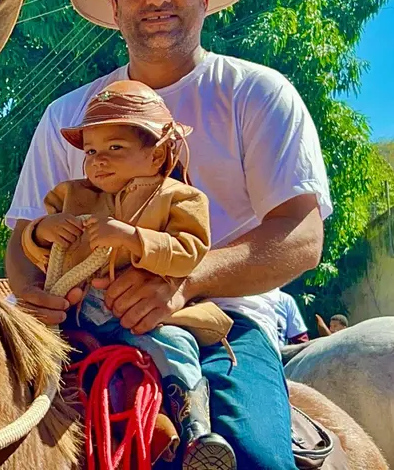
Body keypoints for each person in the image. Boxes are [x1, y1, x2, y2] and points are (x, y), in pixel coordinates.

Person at [5, 0, 330, 468]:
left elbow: (301, 238)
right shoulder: (67, 114)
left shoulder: (257, 93)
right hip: (81, 318)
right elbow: (22, 235)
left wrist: (180, 283)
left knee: (254, 458)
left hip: (221, 317)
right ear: (115, 7)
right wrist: (34, 292)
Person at [21, 79, 236, 467]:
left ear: (156, 156)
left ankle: (196, 429)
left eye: (115, 148)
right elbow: (36, 246)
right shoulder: (68, 195)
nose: (98, 160)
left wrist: (134, 239)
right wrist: (42, 232)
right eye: (91, 151)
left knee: (174, 345)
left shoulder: (182, 198)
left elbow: (189, 253)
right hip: (75, 313)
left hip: (143, 320)